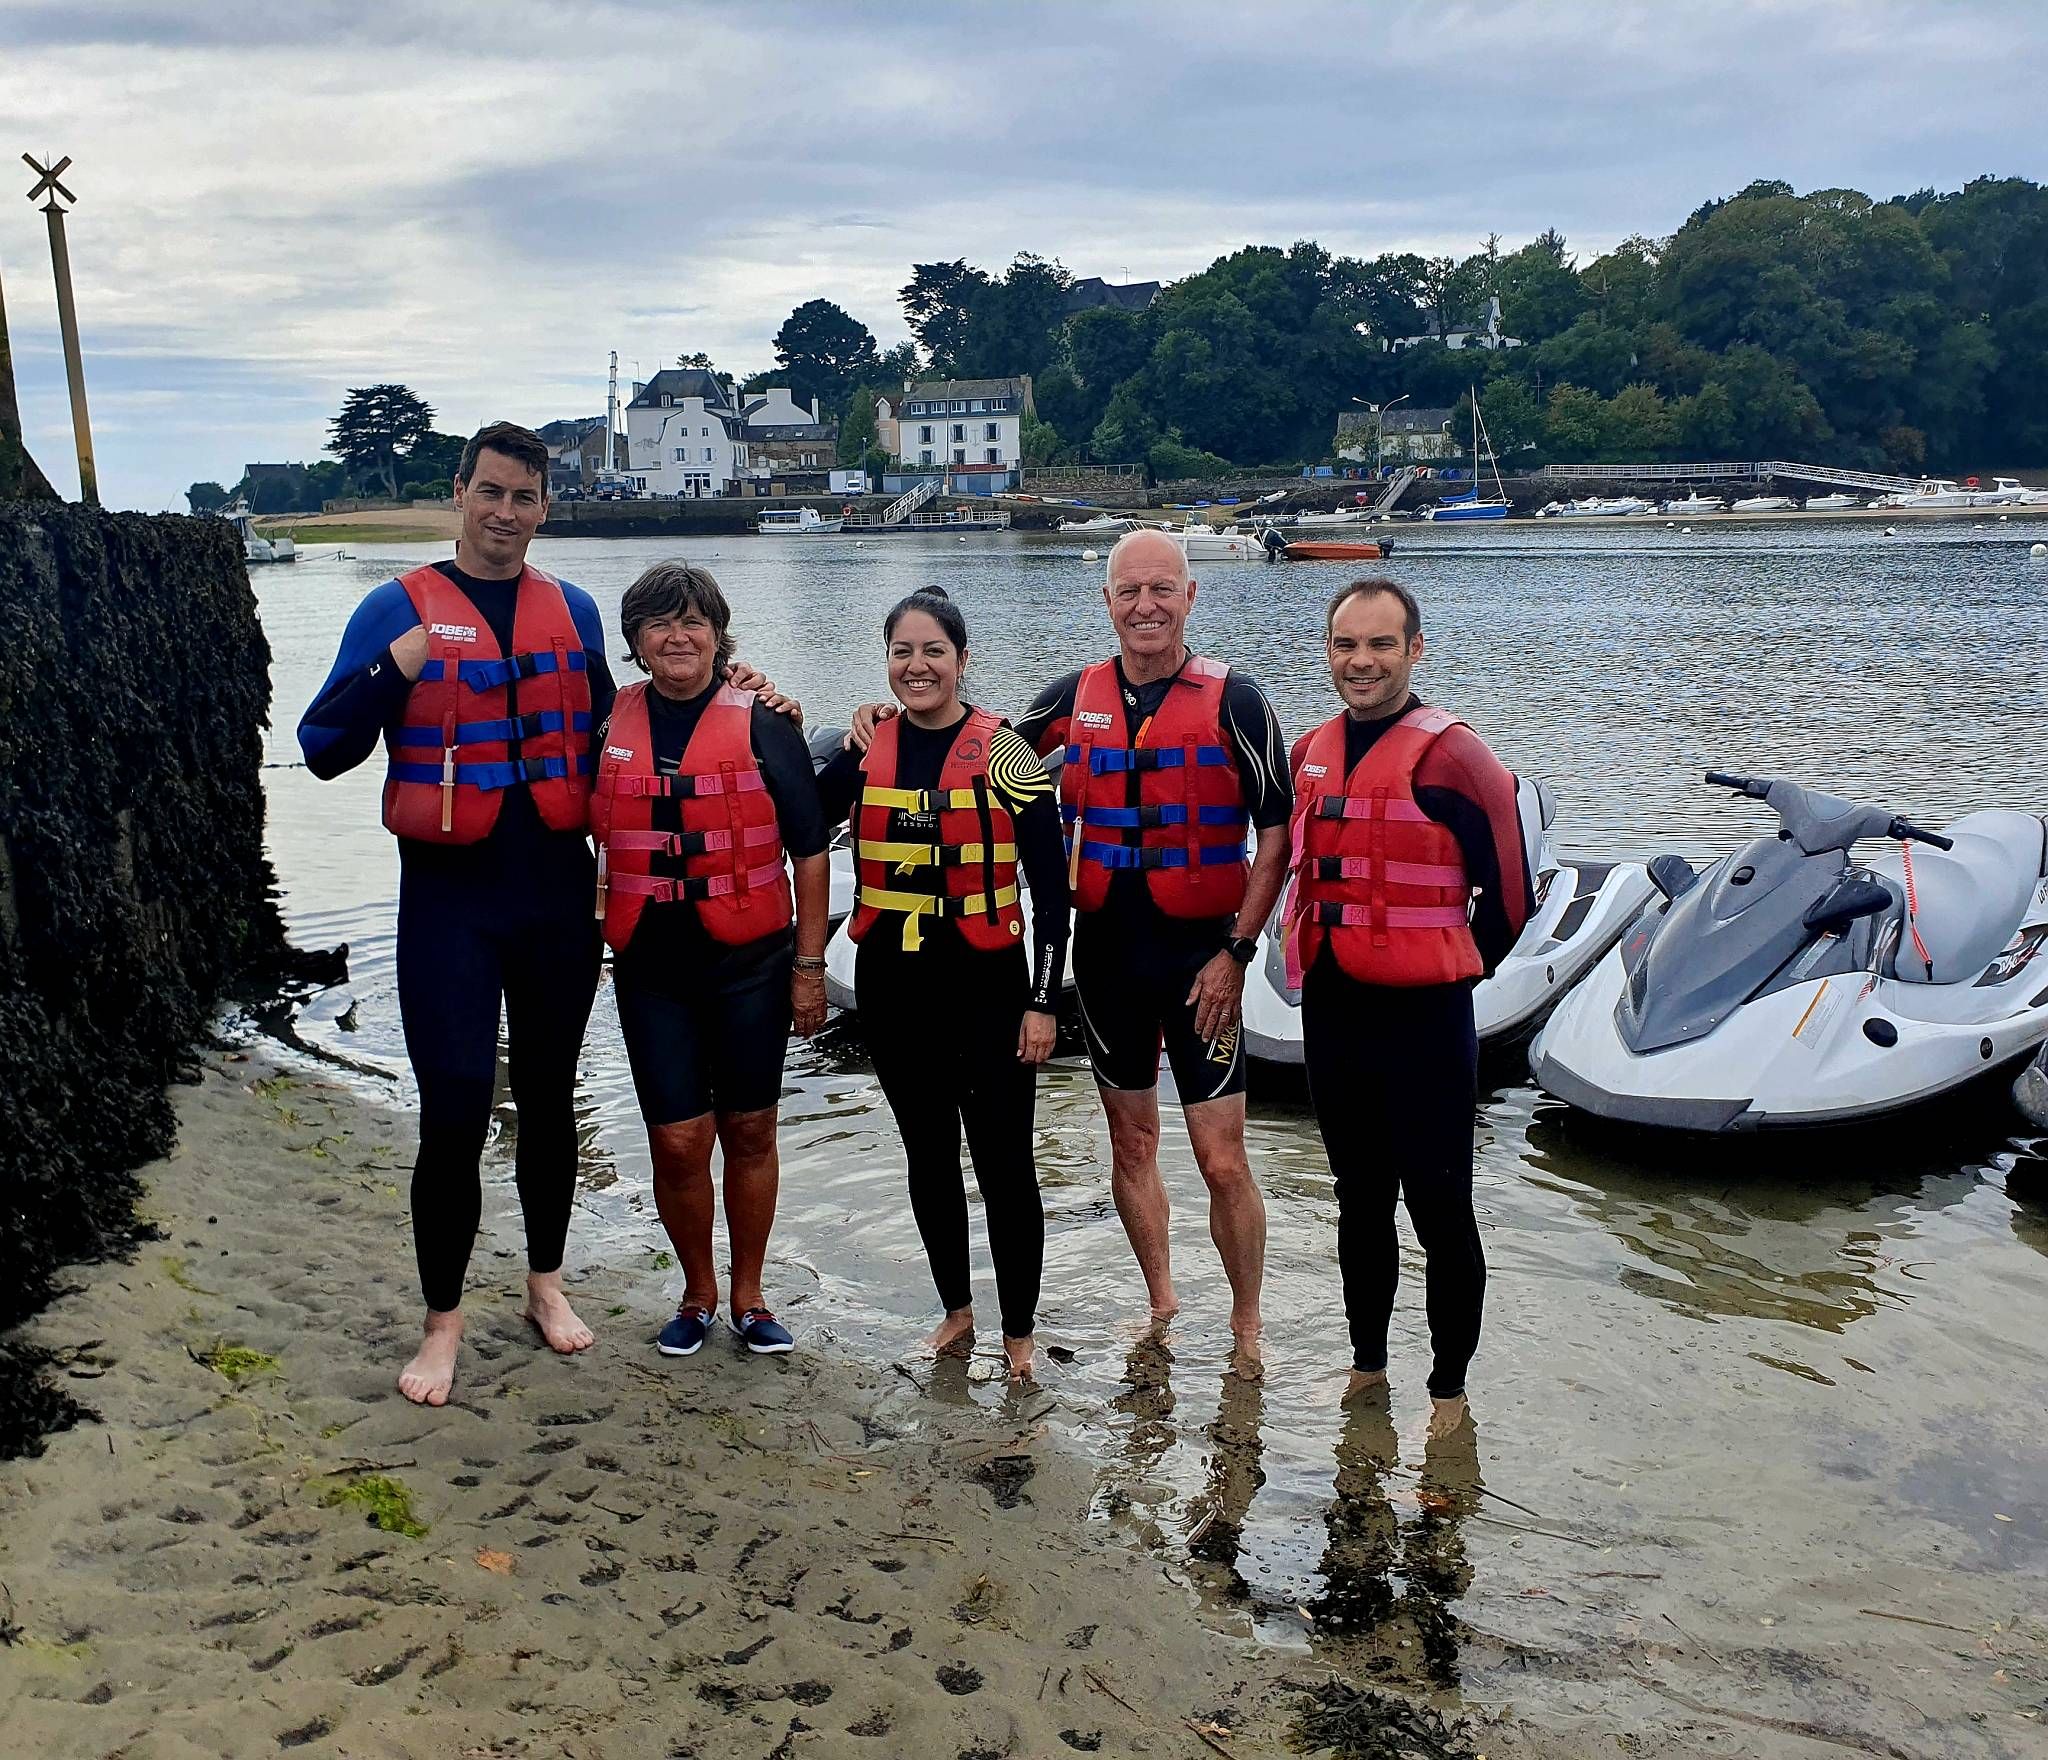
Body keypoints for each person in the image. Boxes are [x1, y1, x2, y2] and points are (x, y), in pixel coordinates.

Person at [297, 423, 780, 1406]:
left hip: (558, 897)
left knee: (553, 1098)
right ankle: (441, 1323)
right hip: (449, 902)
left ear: (544, 508)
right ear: (460, 493)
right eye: (491, 493)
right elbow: (320, 746)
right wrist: (395, 664)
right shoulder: (398, 607)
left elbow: (631, 721)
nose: (506, 513)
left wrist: (735, 686)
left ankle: (545, 1284)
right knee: (457, 1103)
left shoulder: (571, 609)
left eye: (524, 497)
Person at [850, 528, 1290, 1360]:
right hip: (1110, 962)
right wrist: (879, 720)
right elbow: (972, 744)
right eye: (1129, 591)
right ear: (1108, 602)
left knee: (1221, 1157)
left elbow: (1277, 833)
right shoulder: (1068, 699)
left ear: (1191, 597)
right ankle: (1162, 1306)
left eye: (1162, 589)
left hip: (1206, 963)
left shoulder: (1239, 701)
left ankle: (1247, 1324)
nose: (1145, 606)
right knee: (1132, 1142)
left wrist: (1238, 951)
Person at [1283, 577, 1532, 1437]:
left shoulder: (1458, 755)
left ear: (1414, 650)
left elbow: (1508, 900)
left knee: (1440, 1209)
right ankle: (1366, 1367)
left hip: (1426, 1021)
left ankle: (1449, 1396)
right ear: (1329, 653)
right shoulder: (1310, 750)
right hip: (1335, 1011)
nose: (1362, 662)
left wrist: (1451, 971)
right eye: (1346, 645)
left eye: (1381, 645)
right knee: (1358, 1200)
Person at [816, 588, 1068, 1381]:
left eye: (933, 651)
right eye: (902, 652)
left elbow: (1051, 888)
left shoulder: (1006, 753)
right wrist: (768, 704)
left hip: (989, 988)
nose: (916, 666)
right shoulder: (864, 749)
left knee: (1004, 1163)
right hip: (895, 988)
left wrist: (1043, 1001)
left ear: (962, 660)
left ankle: (1019, 1335)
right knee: (927, 1155)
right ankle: (956, 1314)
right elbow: (799, 816)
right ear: (887, 661)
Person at [591, 563, 831, 1359]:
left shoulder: (765, 722)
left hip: (751, 964)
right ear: (635, 642)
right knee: (678, 1142)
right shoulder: (605, 721)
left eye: (694, 622)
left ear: (718, 634)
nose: (677, 637)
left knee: (751, 1130)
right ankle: (696, 1293)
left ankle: (750, 1296)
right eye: (658, 625)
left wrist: (808, 970)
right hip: (652, 968)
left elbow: (809, 850)